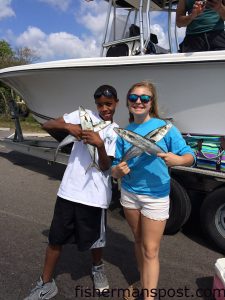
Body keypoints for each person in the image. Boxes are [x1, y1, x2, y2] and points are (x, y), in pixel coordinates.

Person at [24, 85, 119, 300]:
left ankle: (97, 268)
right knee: (55, 239)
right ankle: (46, 283)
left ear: (116, 103)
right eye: (100, 104)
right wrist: (69, 127)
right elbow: (48, 124)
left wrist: (100, 145)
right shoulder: (82, 115)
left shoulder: (115, 132)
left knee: (96, 240)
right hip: (69, 191)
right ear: (95, 104)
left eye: (109, 104)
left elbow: (106, 167)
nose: (104, 108)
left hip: (95, 196)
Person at [111, 81, 195, 300]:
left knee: (150, 250)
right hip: (129, 193)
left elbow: (190, 156)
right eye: (134, 98)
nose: (139, 102)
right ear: (128, 102)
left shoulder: (166, 128)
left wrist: (178, 160)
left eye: (145, 98)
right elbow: (114, 166)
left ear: (151, 103)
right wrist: (116, 172)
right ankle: (142, 279)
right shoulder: (124, 132)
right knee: (138, 241)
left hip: (155, 196)